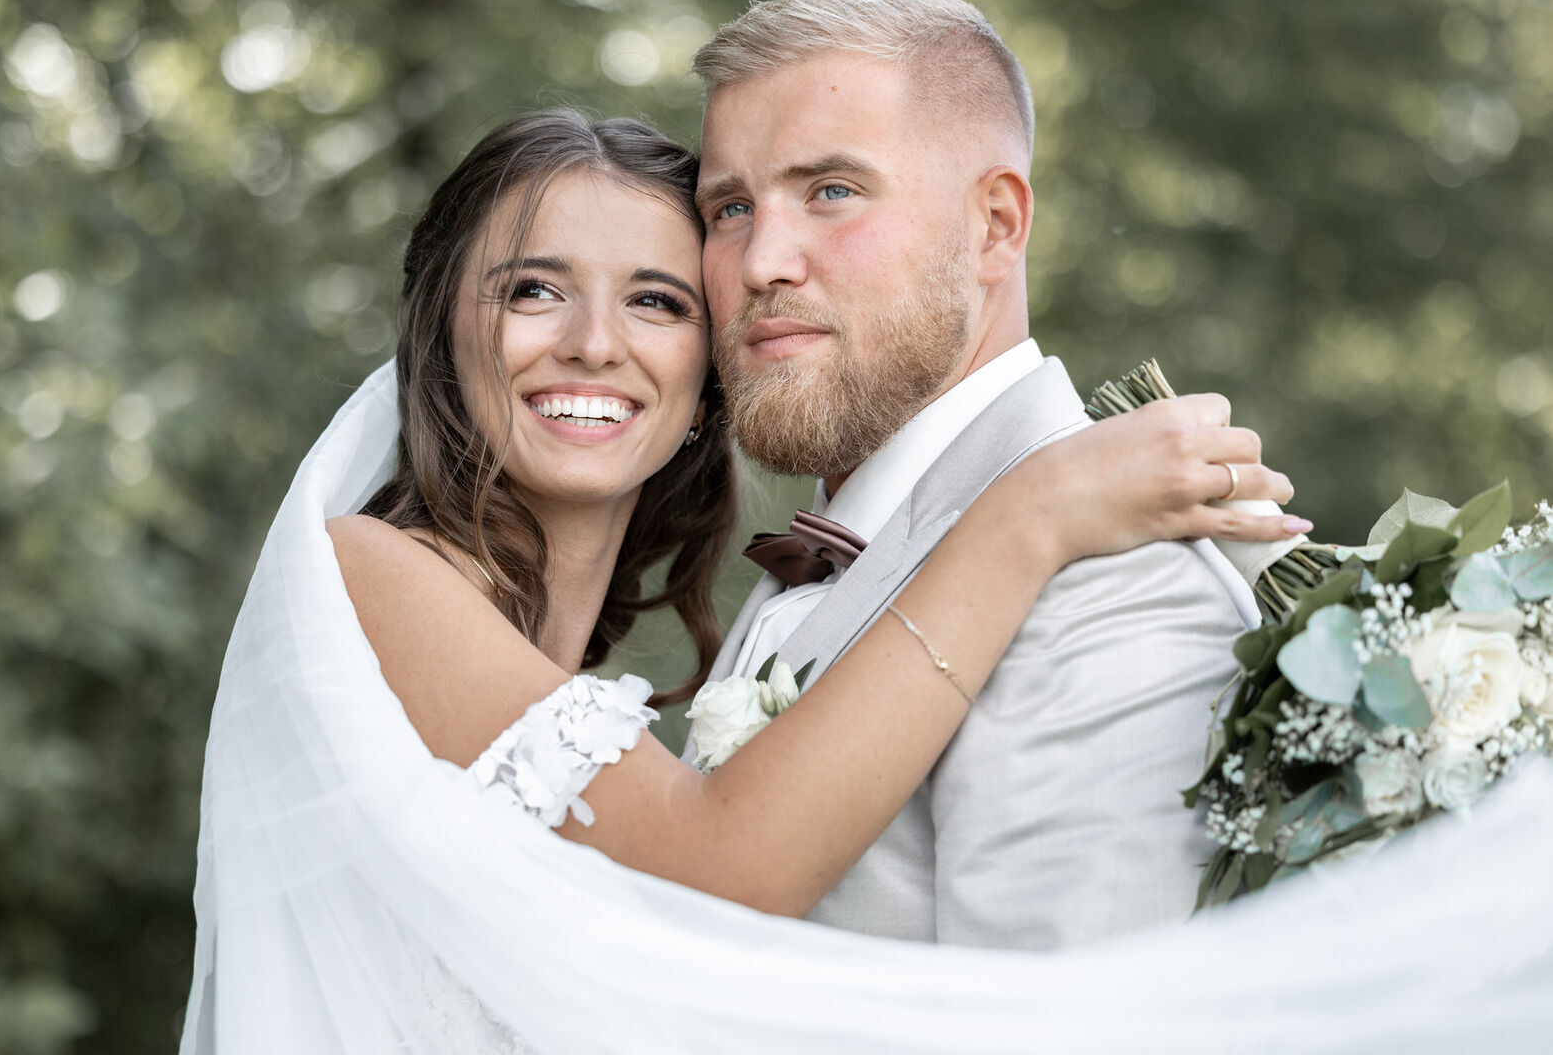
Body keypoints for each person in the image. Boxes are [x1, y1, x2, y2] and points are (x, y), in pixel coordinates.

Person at [179, 104, 1302, 1051]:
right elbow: (722, 865)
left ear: (708, 369)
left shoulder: (556, 682)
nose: (594, 342)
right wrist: (1032, 512)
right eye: (532, 291)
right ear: (441, 337)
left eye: (657, 302)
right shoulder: (368, 576)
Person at [689, 0, 1274, 948]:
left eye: (831, 191)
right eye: (730, 208)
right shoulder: (829, 550)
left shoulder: (1112, 589)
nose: (760, 263)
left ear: (995, 226)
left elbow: (1070, 1015)